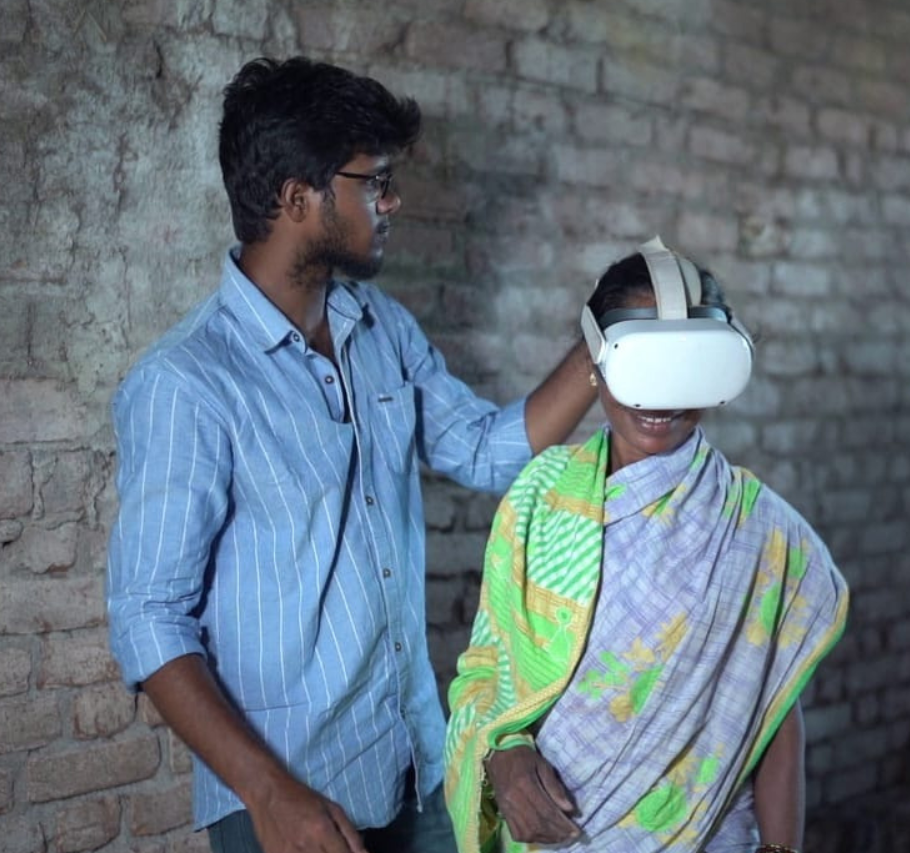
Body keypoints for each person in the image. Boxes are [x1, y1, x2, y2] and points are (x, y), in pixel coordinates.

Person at [105, 57, 594, 853]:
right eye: (374, 182)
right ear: (298, 199)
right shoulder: (186, 382)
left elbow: (484, 448)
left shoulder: (382, 329)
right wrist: (269, 793)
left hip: (416, 764)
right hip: (287, 802)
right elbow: (148, 618)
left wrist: (603, 345)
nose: (391, 200)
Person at [444, 244, 850, 853]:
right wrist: (502, 753)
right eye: (642, 366)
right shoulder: (540, 498)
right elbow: (485, 669)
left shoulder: (763, 532)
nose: (661, 400)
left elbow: (770, 707)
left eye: (686, 368)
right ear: (596, 361)